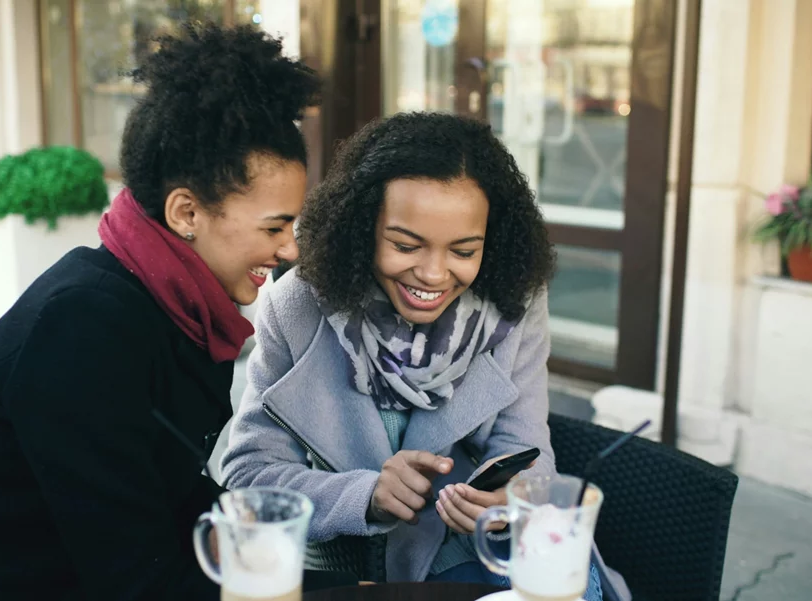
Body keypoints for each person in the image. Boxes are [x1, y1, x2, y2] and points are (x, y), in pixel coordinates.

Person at [0, 23, 353, 600]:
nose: (290, 249)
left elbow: (168, 492)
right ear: (186, 213)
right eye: (274, 227)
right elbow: (135, 578)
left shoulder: (181, 305)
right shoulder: (80, 330)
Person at [221, 112, 630, 601]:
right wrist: (365, 495)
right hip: (344, 569)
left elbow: (526, 445)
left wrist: (512, 500)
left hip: (474, 555)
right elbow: (249, 474)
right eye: (405, 245)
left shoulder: (513, 303)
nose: (434, 275)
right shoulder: (296, 308)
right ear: (362, 228)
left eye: (464, 251)